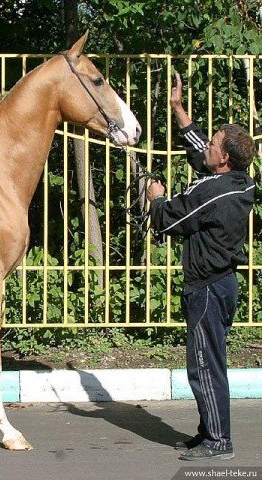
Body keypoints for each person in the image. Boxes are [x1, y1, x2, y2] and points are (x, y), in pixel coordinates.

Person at [146, 73, 256, 461]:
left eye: (213, 143)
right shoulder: (240, 182)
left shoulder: (213, 191)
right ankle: (209, 430)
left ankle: (219, 441)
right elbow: (199, 152)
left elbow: (169, 221)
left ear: (223, 158)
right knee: (209, 362)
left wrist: (156, 198)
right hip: (222, 283)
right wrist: (177, 108)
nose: (205, 145)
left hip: (207, 288)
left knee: (204, 366)